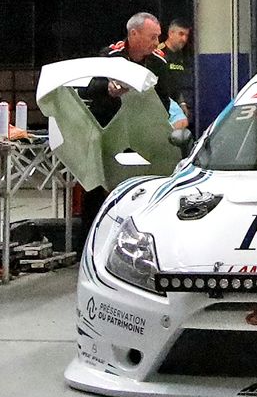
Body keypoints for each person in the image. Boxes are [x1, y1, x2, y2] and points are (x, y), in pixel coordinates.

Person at [77, 13, 175, 237]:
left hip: (141, 131)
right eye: (152, 37)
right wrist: (108, 89)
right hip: (108, 130)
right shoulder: (111, 56)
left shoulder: (159, 63)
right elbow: (89, 88)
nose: (155, 42)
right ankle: (88, 239)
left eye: (158, 37)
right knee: (95, 184)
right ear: (134, 34)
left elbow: (165, 101)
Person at [159, 18, 193, 120]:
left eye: (186, 35)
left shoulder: (184, 56)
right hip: (165, 107)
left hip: (183, 106)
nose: (184, 39)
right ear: (170, 33)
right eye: (181, 34)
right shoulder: (159, 53)